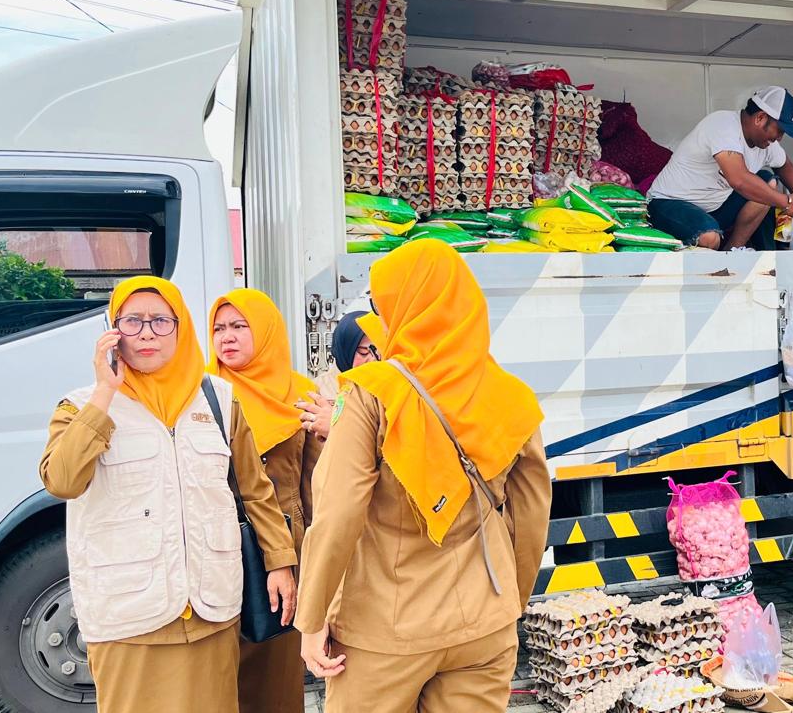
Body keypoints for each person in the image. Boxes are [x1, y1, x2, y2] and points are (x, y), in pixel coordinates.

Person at [295, 239, 553, 712]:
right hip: (485, 622)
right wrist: (508, 603)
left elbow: (337, 513)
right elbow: (532, 511)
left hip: (387, 627)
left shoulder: (371, 393)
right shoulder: (510, 394)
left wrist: (313, 619)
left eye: (382, 303)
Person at [39, 277, 298, 713]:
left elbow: (255, 492)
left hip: (211, 612)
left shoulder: (218, 400)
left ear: (181, 330)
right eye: (132, 321)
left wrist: (280, 562)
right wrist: (105, 391)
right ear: (113, 329)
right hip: (130, 619)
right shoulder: (80, 405)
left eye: (160, 321)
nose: (146, 332)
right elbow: (63, 480)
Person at [208, 289, 322, 713]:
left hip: (283, 555)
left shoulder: (302, 393)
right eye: (219, 328)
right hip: (215, 549)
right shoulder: (202, 392)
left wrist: (313, 563)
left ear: (266, 331)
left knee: (273, 678)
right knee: (215, 675)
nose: (227, 337)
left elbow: (316, 486)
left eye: (240, 326)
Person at [646, 86, 793, 250]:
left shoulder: (766, 144)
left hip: (714, 208)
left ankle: (731, 253)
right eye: (780, 131)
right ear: (760, 118)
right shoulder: (722, 124)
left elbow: (784, 165)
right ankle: (715, 265)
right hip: (668, 204)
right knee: (709, 238)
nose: (779, 138)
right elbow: (738, 179)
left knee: (768, 182)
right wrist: (787, 202)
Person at [297, 310, 382, 441]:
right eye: (364, 352)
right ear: (345, 349)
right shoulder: (315, 391)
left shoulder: (386, 387)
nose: (373, 359)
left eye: (377, 351)